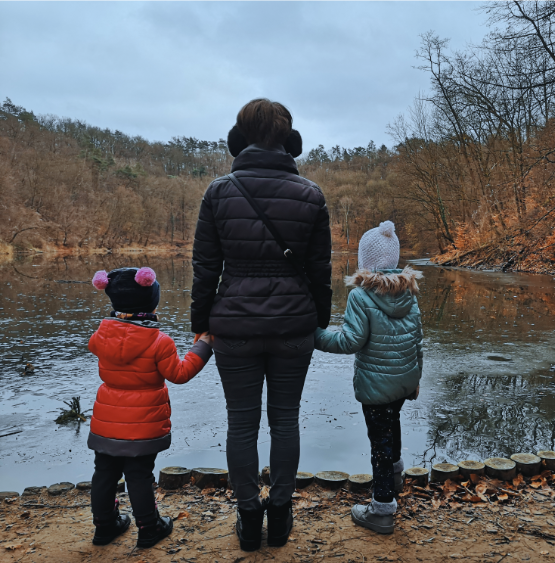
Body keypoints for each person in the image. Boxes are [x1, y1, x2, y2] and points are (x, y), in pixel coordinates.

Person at [191, 98, 332, 552]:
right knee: (286, 420)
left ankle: (250, 518)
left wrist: (201, 325)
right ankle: (282, 513)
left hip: (233, 326)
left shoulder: (218, 191)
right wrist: (318, 322)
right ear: (287, 141)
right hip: (295, 326)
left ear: (242, 137)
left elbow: (205, 268)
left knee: (241, 424)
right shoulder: (311, 194)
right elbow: (320, 271)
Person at [88, 267, 212, 548]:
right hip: (143, 423)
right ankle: (148, 528)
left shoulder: (102, 334)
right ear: (151, 302)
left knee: (104, 471)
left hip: (107, 419)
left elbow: (93, 345)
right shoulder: (159, 341)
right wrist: (203, 347)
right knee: (139, 475)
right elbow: (179, 374)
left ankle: (104, 527)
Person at [314, 221, 423, 534]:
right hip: (404, 380)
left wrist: (316, 336)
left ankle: (382, 509)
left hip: (376, 385)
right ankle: (397, 477)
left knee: (380, 441)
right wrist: (416, 378)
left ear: (365, 262)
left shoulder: (361, 296)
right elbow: (418, 339)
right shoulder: (409, 292)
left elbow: (350, 341)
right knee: (394, 423)